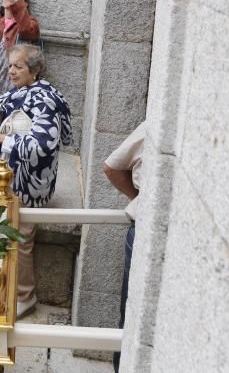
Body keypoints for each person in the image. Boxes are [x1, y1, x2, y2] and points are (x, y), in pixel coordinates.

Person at [0, 44, 72, 318]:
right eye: (10, 66)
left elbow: (44, 145)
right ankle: (5, 287)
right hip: (5, 175)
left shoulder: (46, 100)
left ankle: (25, 296)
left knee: (20, 240)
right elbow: (6, 129)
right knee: (3, 235)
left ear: (35, 70)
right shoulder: (14, 94)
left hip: (27, 181)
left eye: (18, 66)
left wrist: (4, 139)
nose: (11, 71)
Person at [103, 122, 146, 373]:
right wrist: (140, 198)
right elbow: (111, 167)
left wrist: (139, 199)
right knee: (130, 316)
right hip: (140, 229)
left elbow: (111, 167)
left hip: (141, 228)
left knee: (129, 316)